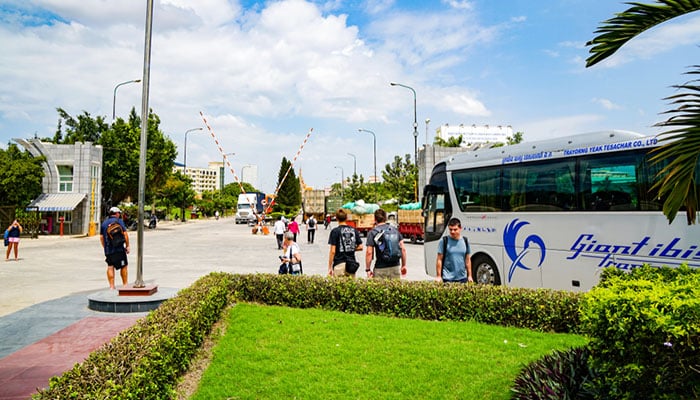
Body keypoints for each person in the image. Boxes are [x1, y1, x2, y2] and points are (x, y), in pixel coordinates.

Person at [365, 208, 407, 279]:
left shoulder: (373, 232)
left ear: (375, 219)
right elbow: (403, 249)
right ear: (385, 218)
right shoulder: (395, 230)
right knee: (395, 289)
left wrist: (368, 269)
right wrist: (403, 265)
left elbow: (369, 252)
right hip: (395, 267)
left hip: (380, 268)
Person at [100, 206, 130, 289]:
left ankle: (112, 286)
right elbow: (125, 235)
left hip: (109, 250)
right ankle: (125, 284)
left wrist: (105, 247)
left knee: (110, 266)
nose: (119, 215)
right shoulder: (119, 221)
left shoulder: (104, 223)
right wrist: (127, 246)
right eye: (119, 213)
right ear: (116, 213)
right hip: (119, 249)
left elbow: (101, 237)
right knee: (123, 266)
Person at [327, 209, 363, 277]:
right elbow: (360, 247)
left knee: (339, 286)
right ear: (346, 218)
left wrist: (329, 267)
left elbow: (333, 251)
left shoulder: (335, 231)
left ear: (337, 218)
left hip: (339, 264)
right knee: (351, 286)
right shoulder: (354, 230)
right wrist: (350, 248)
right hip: (351, 265)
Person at [436, 218, 473, 283]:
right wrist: (438, 276)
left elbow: (467, 260)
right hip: (448, 278)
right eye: (450, 229)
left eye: (455, 229)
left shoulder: (465, 241)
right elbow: (439, 259)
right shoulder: (444, 241)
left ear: (460, 228)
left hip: (462, 278)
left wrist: (469, 276)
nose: (452, 232)